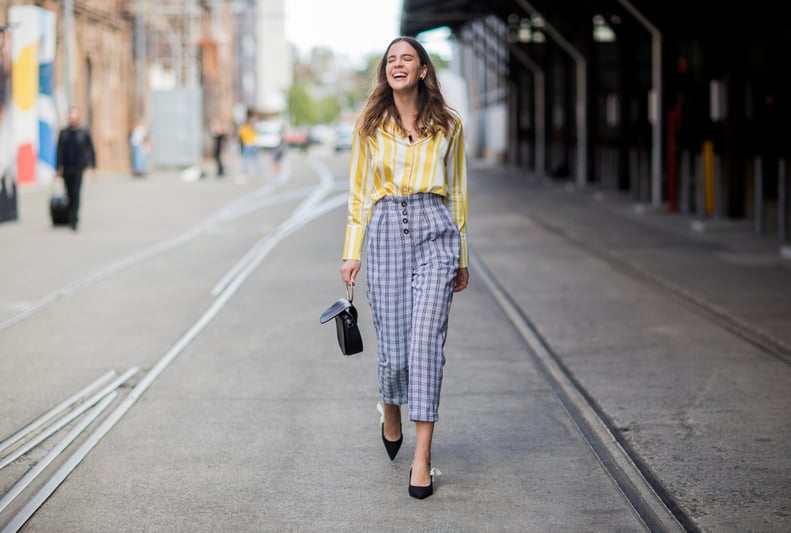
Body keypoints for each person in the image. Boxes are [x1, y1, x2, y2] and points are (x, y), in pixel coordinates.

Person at [339, 36, 469, 500]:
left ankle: (422, 459)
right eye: (391, 60)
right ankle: (389, 408)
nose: (398, 65)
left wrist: (462, 255)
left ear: (422, 71)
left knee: (427, 345)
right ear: (386, 72)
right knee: (395, 351)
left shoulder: (448, 125)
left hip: (436, 230)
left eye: (406, 58)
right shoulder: (369, 126)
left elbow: (456, 191)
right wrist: (351, 250)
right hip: (387, 230)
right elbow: (358, 194)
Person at [56, 106, 96, 231]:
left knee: (76, 194)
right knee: (68, 194)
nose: (73, 118)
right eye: (71, 115)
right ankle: (70, 216)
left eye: (75, 115)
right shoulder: (64, 133)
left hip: (78, 168)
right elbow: (59, 151)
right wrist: (58, 168)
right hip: (66, 169)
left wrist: (92, 166)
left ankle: (74, 219)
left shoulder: (83, 133)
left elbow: (90, 150)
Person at [238, 110, 262, 181]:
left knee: (247, 159)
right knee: (254, 159)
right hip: (251, 145)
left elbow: (240, 134)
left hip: (249, 145)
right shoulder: (248, 128)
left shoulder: (247, 128)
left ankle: (245, 172)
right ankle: (258, 171)